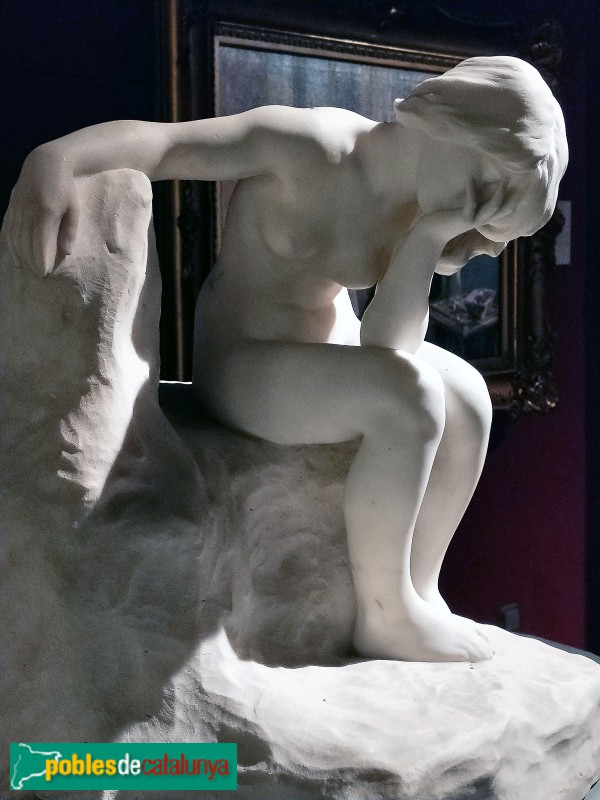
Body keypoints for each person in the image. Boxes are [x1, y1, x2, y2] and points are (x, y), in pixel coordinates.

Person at [5, 56, 567, 662]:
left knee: (469, 395)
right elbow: (165, 146)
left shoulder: (419, 213)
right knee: (410, 399)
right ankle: (384, 613)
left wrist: (428, 242)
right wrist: (54, 160)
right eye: (485, 191)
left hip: (328, 351)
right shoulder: (313, 146)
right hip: (246, 358)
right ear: (455, 127)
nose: (477, 224)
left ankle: (418, 589)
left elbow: (388, 347)